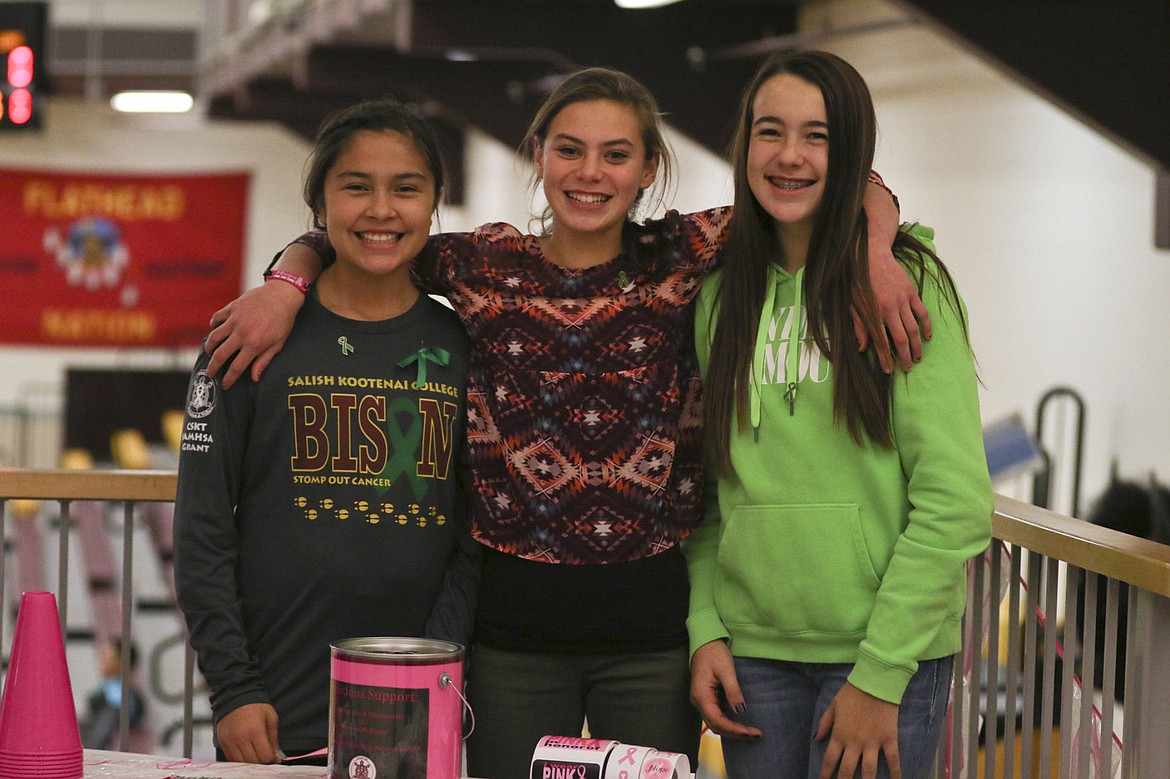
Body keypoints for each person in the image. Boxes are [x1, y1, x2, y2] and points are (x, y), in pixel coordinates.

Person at [198, 67, 925, 779]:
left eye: (617, 154)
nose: (591, 172)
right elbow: (361, 233)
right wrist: (286, 283)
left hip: (650, 638)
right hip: (512, 639)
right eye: (570, 148)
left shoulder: (683, 254)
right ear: (540, 153)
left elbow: (846, 183)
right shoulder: (486, 263)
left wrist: (874, 248)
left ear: (647, 169)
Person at [685, 49, 993, 779]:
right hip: (752, 656)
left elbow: (954, 500)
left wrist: (881, 671)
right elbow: (708, 493)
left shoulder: (907, 289)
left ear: (852, 151)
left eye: (817, 135)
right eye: (770, 131)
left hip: (881, 658)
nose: (790, 156)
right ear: (744, 145)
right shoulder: (717, 298)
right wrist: (705, 628)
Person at [173, 99, 480, 766]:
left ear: (434, 203)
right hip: (274, 703)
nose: (380, 209)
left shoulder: (463, 345)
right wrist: (233, 688)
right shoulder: (247, 337)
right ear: (320, 203)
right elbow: (201, 529)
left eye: (406, 188)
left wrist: (440, 668)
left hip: (417, 694)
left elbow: (473, 537)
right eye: (355, 186)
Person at [79, 638, 146, 750]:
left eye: (109, 657)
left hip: (111, 723)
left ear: (121, 661)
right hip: (102, 725)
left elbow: (118, 707)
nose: (103, 660)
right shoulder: (107, 685)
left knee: (110, 714)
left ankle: (92, 748)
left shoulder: (122, 690)